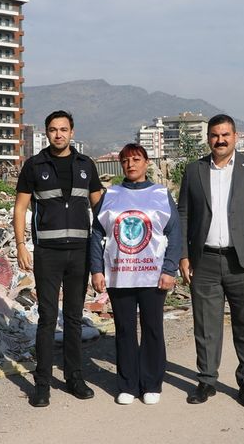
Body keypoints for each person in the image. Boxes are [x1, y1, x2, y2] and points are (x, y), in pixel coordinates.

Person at [177, 114, 244, 408]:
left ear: (235, 137)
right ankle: (206, 380)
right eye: (214, 135)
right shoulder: (194, 171)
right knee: (206, 325)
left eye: (225, 135)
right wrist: (183, 254)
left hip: (242, 261)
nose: (220, 140)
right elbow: (183, 213)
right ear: (208, 138)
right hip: (204, 260)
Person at [13, 110, 103, 407]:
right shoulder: (34, 165)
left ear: (72, 132)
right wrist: (21, 246)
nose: (58, 134)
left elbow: (101, 209)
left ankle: (75, 378)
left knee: (75, 318)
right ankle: (41, 385)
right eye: (53, 130)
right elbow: (20, 208)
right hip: (48, 255)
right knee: (48, 319)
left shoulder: (85, 165)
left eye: (63, 129)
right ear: (47, 133)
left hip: (80, 252)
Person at [89, 143, 181, 405]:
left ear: (146, 162)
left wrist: (169, 268)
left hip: (153, 276)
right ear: (121, 164)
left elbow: (174, 232)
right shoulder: (111, 195)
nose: (131, 164)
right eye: (126, 160)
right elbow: (96, 234)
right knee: (125, 330)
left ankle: (151, 383)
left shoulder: (161, 194)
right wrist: (97, 269)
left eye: (136, 159)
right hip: (120, 276)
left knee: (153, 328)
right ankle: (128, 383)